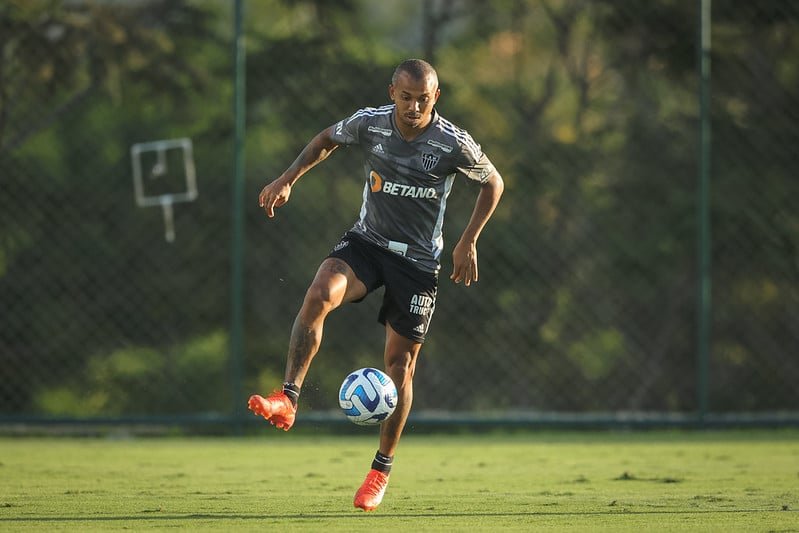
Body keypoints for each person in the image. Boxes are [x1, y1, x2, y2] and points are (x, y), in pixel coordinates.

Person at [248, 58, 504, 512]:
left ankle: (379, 471)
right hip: (368, 243)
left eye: (423, 99)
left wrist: (468, 242)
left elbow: (493, 183)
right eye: (405, 97)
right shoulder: (370, 124)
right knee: (319, 293)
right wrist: (288, 179)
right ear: (392, 93)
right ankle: (287, 398)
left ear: (436, 98)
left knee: (400, 365)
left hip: (419, 263)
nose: (413, 106)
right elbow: (327, 138)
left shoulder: (451, 142)